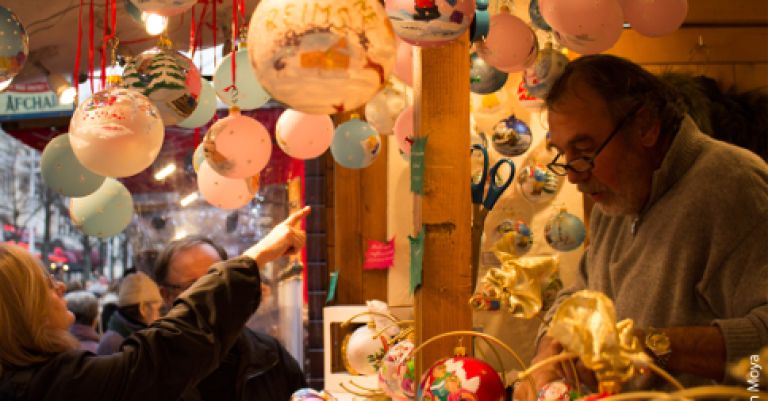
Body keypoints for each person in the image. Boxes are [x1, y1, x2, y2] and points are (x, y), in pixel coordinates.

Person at [514, 55, 767, 399]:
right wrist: (548, 353)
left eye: (585, 150)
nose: (573, 174)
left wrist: (651, 345)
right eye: (563, 154)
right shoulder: (616, 197)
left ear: (646, 126)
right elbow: (577, 296)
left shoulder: (734, 187)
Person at [0, 206, 310, 401]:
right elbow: (162, 355)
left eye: (213, 281)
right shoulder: (49, 384)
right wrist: (254, 258)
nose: (60, 286)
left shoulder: (269, 355)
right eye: (45, 284)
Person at [152, 235, 307, 401]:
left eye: (217, 283)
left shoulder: (270, 356)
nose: (209, 295)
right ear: (166, 296)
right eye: (194, 288)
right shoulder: (149, 369)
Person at [96, 271, 163, 355]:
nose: (159, 316)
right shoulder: (115, 343)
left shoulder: (125, 336)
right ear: (143, 309)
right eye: (157, 309)